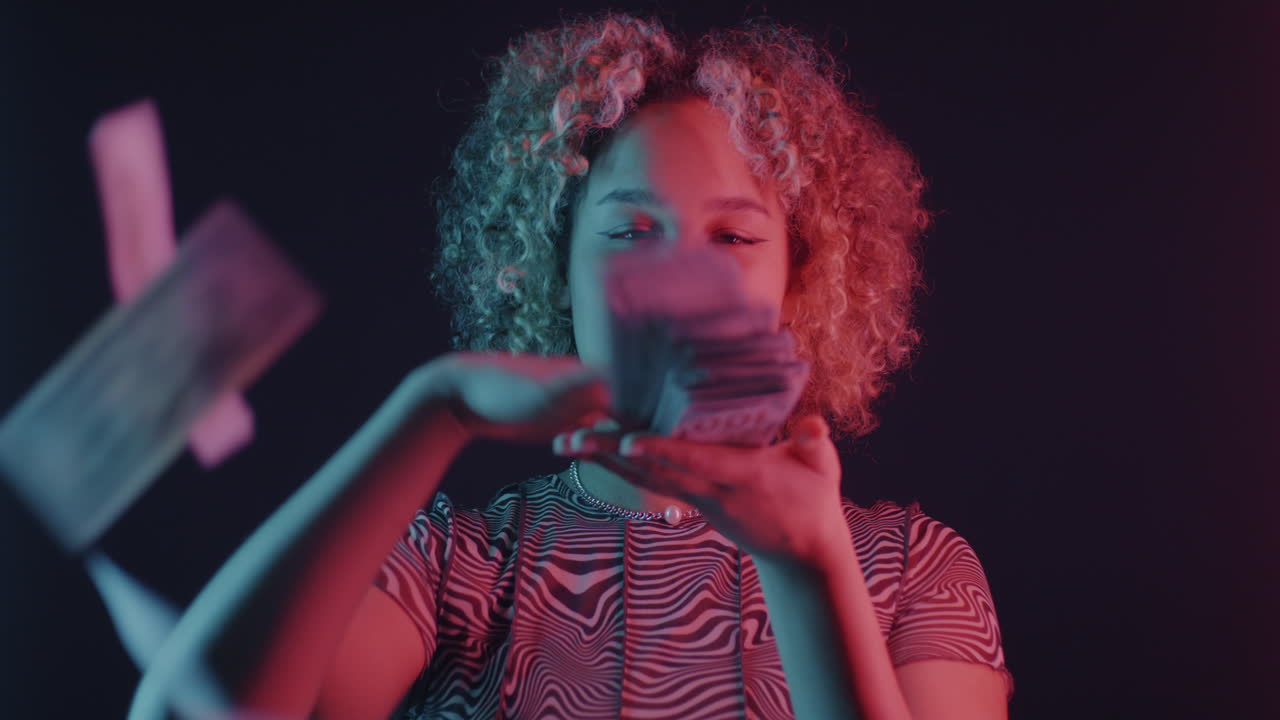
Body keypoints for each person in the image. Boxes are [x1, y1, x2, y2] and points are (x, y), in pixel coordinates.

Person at [131, 12, 1013, 720]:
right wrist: (430, 408)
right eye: (632, 234)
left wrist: (809, 564)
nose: (685, 281)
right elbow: (189, 710)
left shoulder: (913, 567)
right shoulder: (454, 568)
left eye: (734, 237)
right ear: (559, 276)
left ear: (799, 280)